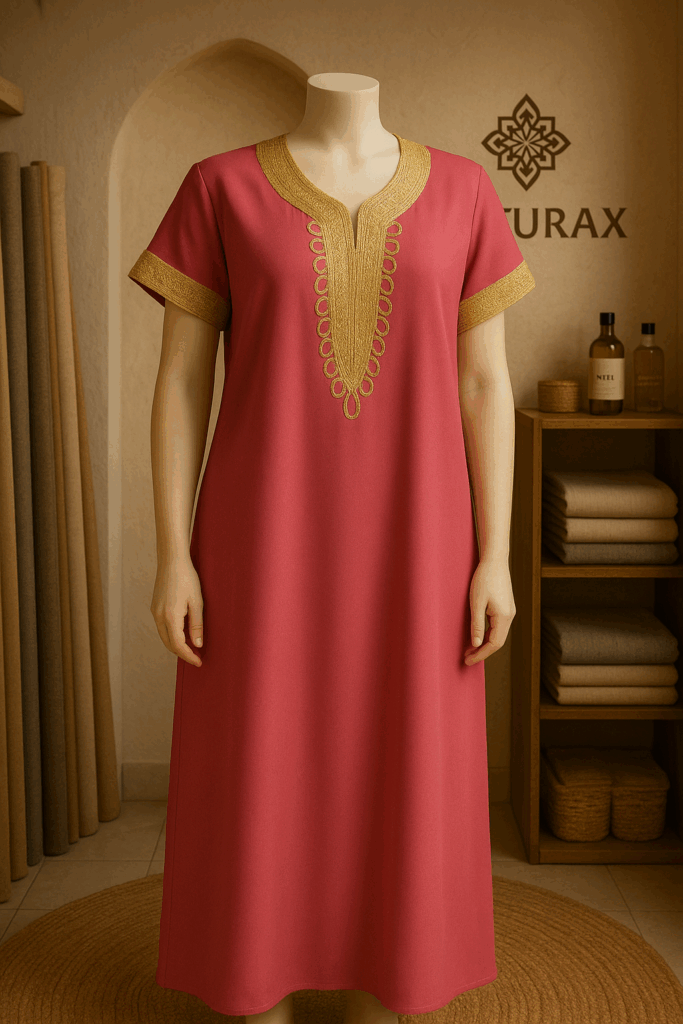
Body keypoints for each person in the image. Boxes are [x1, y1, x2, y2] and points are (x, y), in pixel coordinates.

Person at [130, 71, 535, 1024]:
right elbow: (182, 380)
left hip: (421, 543)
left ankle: (384, 975)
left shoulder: (466, 190)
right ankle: (252, 981)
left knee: (403, 759)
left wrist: (495, 556)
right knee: (257, 760)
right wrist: (172, 554)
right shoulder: (218, 187)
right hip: (259, 541)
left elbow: (485, 385)